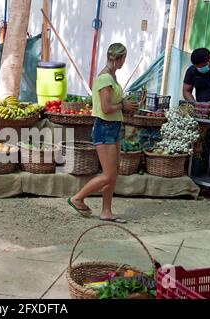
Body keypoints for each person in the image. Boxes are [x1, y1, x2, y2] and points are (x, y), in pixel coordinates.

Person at [67, 43, 137, 223]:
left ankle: (106, 211)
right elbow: (106, 108)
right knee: (108, 175)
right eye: (124, 59)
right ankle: (77, 198)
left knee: (113, 174)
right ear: (120, 58)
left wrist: (123, 104)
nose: (124, 62)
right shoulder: (105, 79)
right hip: (105, 127)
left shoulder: (111, 77)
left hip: (113, 127)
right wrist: (123, 105)